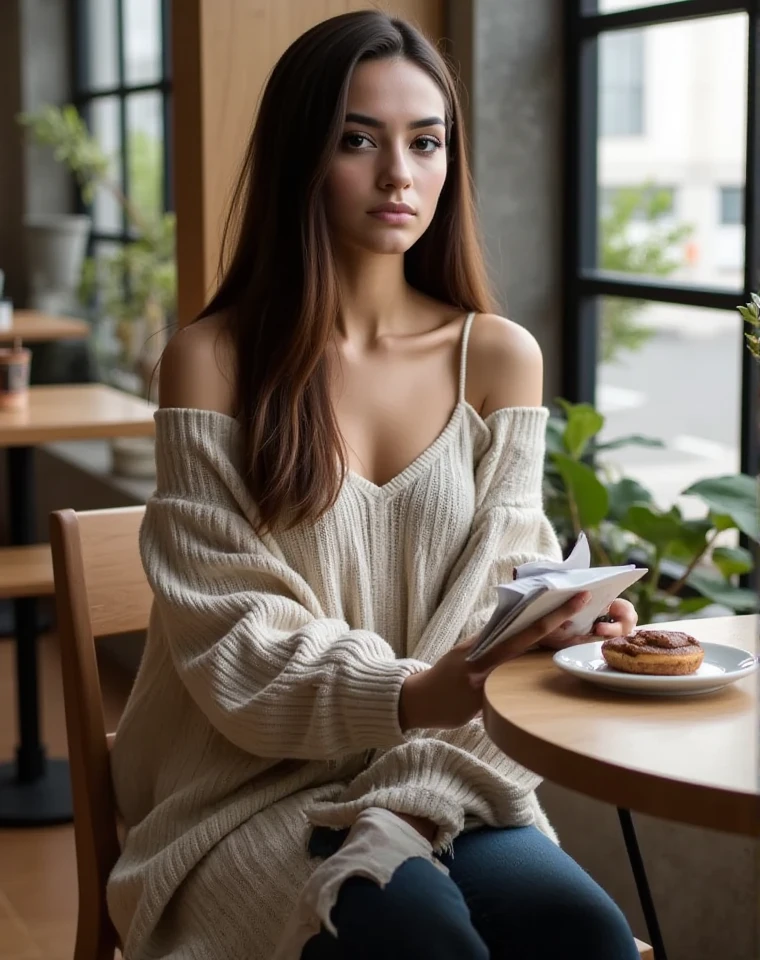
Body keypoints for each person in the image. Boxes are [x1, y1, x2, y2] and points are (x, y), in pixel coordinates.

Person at [107, 10, 641, 959]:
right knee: (422, 946)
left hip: (444, 778)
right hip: (248, 795)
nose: (400, 174)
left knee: (586, 938)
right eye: (359, 139)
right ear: (299, 160)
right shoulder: (212, 363)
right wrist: (419, 689)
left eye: (425, 142)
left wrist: (553, 626)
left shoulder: (497, 356)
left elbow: (498, 592)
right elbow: (234, 637)